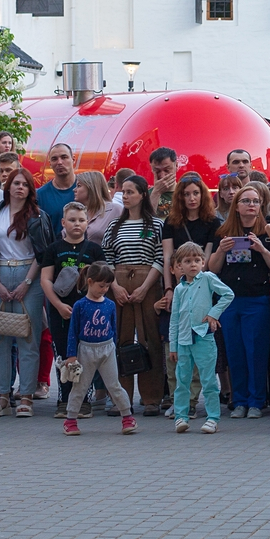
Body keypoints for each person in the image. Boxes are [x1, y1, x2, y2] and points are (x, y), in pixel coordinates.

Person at [211, 181, 270, 418]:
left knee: (256, 351)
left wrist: (262, 249)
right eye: (246, 201)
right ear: (237, 206)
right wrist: (221, 250)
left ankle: (256, 401)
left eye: (255, 201)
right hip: (230, 300)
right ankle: (239, 399)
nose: (251, 205)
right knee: (235, 351)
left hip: (257, 299)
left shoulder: (267, 232)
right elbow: (212, 268)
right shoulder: (224, 231)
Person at [0, 169, 51, 417]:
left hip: (29, 275)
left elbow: (42, 253)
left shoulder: (37, 216)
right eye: (15, 183)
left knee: (28, 337)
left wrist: (26, 282)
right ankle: (2, 395)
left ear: (30, 189)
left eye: (25, 184)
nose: (19, 188)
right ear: (8, 186)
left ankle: (26, 396)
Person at [103, 175, 165, 416]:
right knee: (121, 340)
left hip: (147, 283)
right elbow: (108, 258)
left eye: (131, 192)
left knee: (150, 339)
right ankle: (121, 398)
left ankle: (151, 398)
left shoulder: (156, 225)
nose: (126, 196)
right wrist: (115, 287)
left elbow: (160, 258)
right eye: (124, 192)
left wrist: (145, 287)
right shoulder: (114, 226)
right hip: (119, 283)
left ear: (142, 194)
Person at [40, 201, 104, 418]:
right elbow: (46, 280)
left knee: (85, 354)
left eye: (81, 220)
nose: (77, 224)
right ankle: (64, 398)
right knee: (63, 354)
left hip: (87, 311)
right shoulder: (53, 249)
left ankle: (84, 399)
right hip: (60, 310)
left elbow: (102, 283)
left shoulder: (95, 250)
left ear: (87, 223)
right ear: (63, 222)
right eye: (72, 220)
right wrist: (57, 305)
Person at [167, 244, 234, 433]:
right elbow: (175, 318)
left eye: (197, 260)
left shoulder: (207, 278)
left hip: (204, 337)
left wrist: (214, 314)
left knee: (209, 380)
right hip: (183, 341)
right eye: (187, 261)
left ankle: (213, 417)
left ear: (203, 262)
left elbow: (228, 294)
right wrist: (174, 345)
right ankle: (181, 417)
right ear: (179, 265)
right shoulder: (179, 288)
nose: (193, 265)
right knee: (182, 380)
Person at [62, 262, 135, 435]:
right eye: (101, 286)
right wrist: (71, 355)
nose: (104, 289)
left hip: (107, 349)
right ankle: (71, 420)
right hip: (86, 350)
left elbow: (113, 328)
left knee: (114, 385)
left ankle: (127, 417)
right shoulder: (80, 305)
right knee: (80, 387)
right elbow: (73, 332)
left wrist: (114, 348)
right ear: (89, 282)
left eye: (107, 286)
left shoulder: (109, 304)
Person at [36, 144, 79, 237]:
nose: (59, 162)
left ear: (73, 159)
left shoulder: (87, 190)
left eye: (64, 157)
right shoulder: (40, 195)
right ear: (50, 163)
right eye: (54, 159)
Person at [75, 171, 122, 244]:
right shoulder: (78, 212)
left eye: (79, 186)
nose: (74, 190)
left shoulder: (115, 210)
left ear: (91, 187)